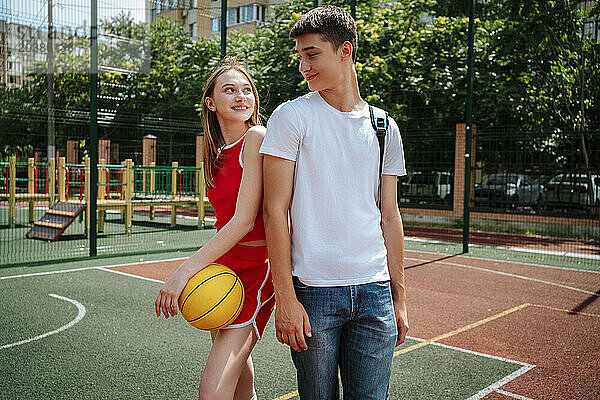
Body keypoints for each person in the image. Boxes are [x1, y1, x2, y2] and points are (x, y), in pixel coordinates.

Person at [260, 5, 409, 399]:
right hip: (313, 294)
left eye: (312, 55)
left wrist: (399, 297)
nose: (303, 67)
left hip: (375, 291)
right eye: (300, 57)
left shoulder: (384, 127)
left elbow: (390, 217)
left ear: (345, 51)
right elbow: (274, 210)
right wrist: (286, 298)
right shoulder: (290, 117)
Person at [155, 57, 274, 400]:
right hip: (224, 270)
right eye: (230, 90)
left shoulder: (256, 138)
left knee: (211, 393)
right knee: (237, 380)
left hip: (255, 271)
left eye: (247, 89)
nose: (241, 96)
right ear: (211, 103)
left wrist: (182, 273)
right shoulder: (217, 154)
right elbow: (225, 223)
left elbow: (244, 221)